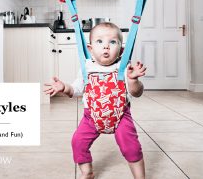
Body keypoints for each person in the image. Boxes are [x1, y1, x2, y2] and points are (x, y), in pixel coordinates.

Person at [44, 22, 147, 179]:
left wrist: (133, 80)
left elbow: (137, 92)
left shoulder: (123, 66)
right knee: (78, 142)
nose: (106, 46)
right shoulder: (86, 67)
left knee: (131, 146)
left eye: (112, 42)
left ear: (121, 49)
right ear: (90, 49)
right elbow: (76, 89)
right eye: (100, 41)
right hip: (91, 117)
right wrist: (64, 87)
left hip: (120, 117)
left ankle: (140, 177)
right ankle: (88, 173)